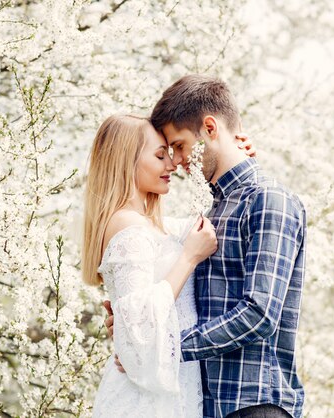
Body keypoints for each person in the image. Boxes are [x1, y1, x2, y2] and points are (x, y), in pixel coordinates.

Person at [106, 75, 307, 418]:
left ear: (210, 128)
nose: (178, 161)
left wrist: (164, 347)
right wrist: (133, 317)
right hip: (209, 406)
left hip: (256, 404)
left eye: (181, 146)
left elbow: (259, 314)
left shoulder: (268, 200)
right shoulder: (211, 214)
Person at [83, 114, 256, 417]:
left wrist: (236, 157)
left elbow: (209, 224)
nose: (172, 165)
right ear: (126, 160)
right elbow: (139, 326)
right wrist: (189, 258)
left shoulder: (153, 226)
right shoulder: (126, 225)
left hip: (175, 391)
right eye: (160, 155)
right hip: (143, 401)